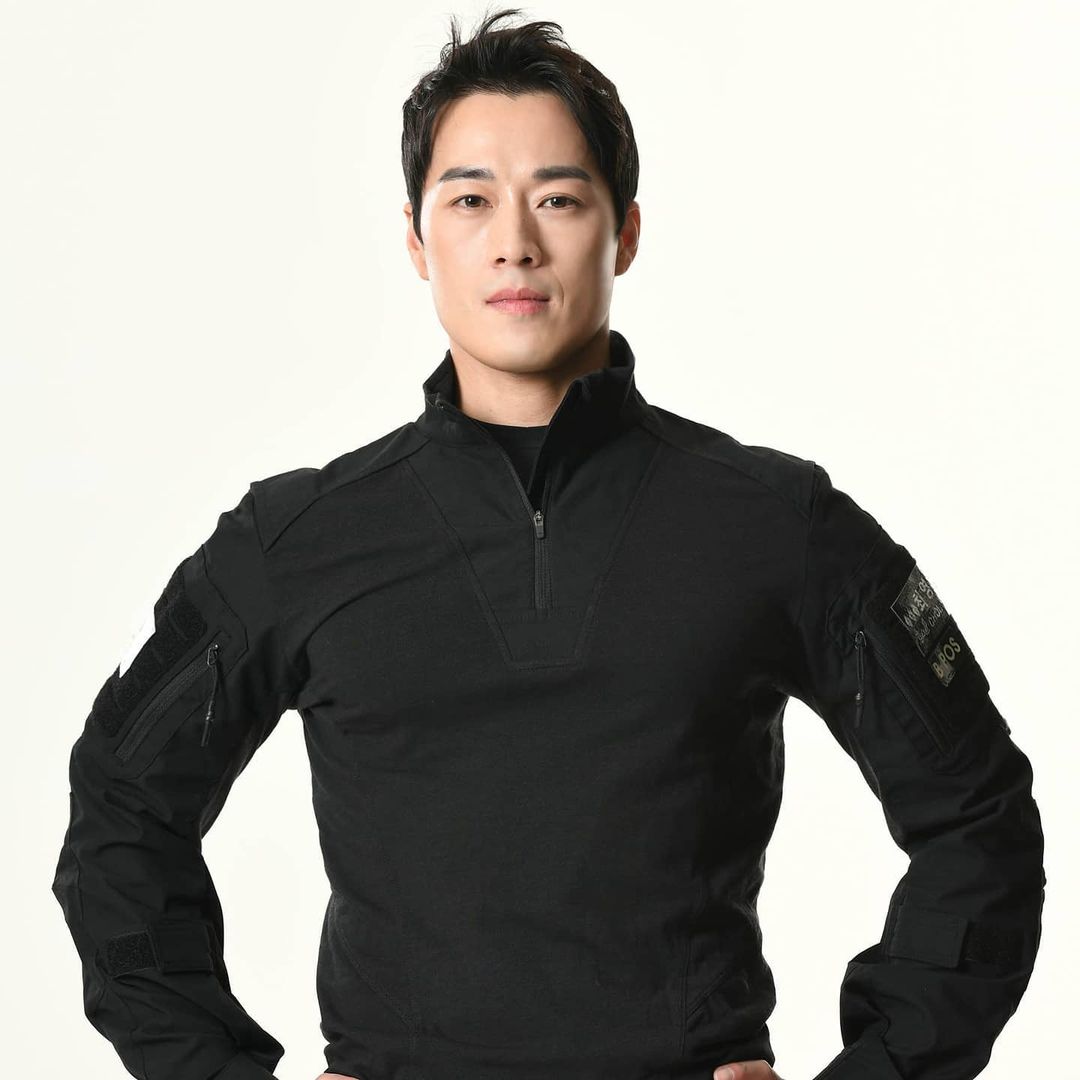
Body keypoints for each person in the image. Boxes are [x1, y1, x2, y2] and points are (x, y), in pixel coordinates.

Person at [51, 8, 1045, 1080]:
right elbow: (120, 814)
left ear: (625, 232)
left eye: (559, 198)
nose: (514, 241)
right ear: (416, 239)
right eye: (470, 199)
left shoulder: (778, 523)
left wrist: (883, 1069)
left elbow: (979, 817)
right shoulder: (292, 542)